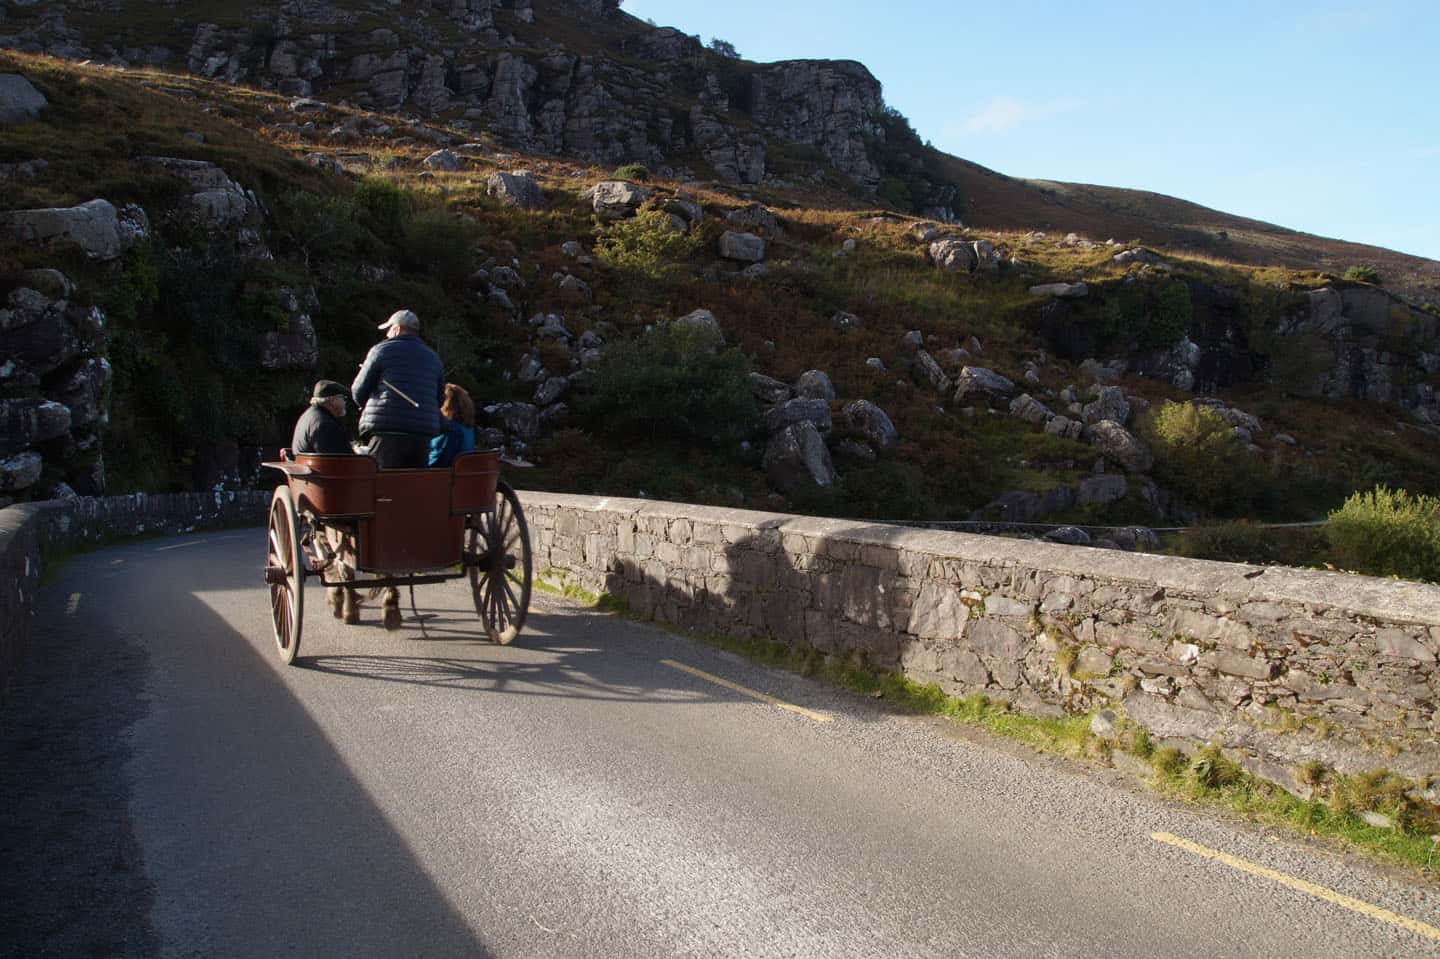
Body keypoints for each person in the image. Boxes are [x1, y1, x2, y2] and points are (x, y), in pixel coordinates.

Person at [289, 380, 362, 622]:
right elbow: (344, 463)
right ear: (332, 401)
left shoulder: (308, 418)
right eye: (342, 400)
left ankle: (339, 589)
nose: (345, 405)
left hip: (314, 492)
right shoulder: (326, 426)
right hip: (331, 496)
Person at [351, 309, 445, 470]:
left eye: (389, 329)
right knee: (413, 485)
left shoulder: (381, 350)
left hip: (388, 431)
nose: (387, 334)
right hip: (422, 434)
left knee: (382, 486)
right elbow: (439, 398)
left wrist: (366, 406)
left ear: (397, 329)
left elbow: (358, 390)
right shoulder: (433, 358)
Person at [290, 380, 352, 456]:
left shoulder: (307, 416)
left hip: (307, 465)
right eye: (343, 398)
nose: (345, 402)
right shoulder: (325, 425)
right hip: (322, 467)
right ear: (332, 400)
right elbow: (343, 460)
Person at [428, 383, 477, 468]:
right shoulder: (468, 429)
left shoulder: (449, 429)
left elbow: (436, 462)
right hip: (461, 476)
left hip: (443, 477)